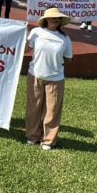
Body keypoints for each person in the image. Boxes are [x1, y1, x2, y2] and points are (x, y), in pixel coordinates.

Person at [25, 8, 73, 151]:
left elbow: (69, 58)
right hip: (35, 75)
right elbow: (27, 49)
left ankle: (48, 140)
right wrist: (24, 35)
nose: (55, 19)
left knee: (52, 111)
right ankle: (32, 136)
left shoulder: (65, 38)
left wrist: (56, 60)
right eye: (52, 17)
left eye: (58, 18)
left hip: (55, 78)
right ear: (46, 19)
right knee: (33, 108)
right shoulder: (36, 33)